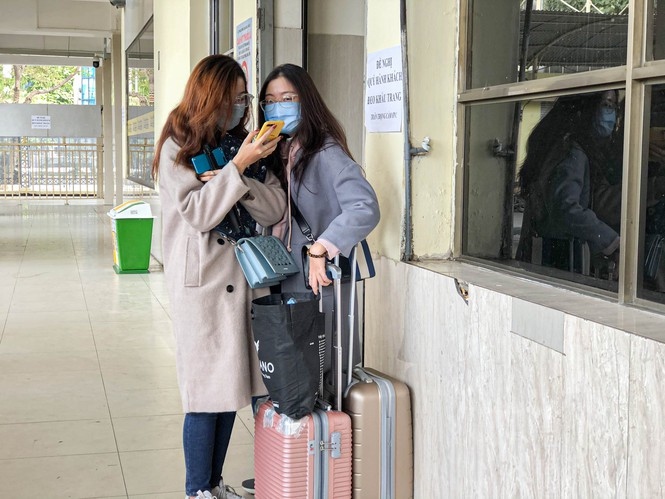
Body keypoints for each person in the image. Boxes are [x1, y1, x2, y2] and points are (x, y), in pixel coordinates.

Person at [241, 61, 380, 498]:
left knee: (323, 377)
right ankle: (291, 463)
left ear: (307, 100)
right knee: (287, 375)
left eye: (288, 99)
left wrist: (322, 247)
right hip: (285, 282)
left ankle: (323, 471)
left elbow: (364, 207)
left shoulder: (325, 153)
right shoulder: (278, 153)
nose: (278, 108)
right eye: (270, 101)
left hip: (323, 285)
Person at [151, 54, 286, 499]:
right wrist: (236, 168)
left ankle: (214, 484)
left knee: (230, 389)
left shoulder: (244, 144)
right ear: (207, 99)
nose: (239, 107)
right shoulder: (178, 145)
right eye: (230, 99)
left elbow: (276, 209)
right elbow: (199, 213)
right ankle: (196, 490)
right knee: (204, 394)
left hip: (245, 281)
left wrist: (240, 174)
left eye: (243, 99)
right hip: (203, 286)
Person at [516, 90, 622, 276]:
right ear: (586, 108)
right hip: (558, 256)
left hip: (541, 252)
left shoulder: (558, 145)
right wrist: (611, 241)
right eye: (606, 105)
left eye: (614, 106)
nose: (611, 114)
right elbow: (567, 208)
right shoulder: (573, 152)